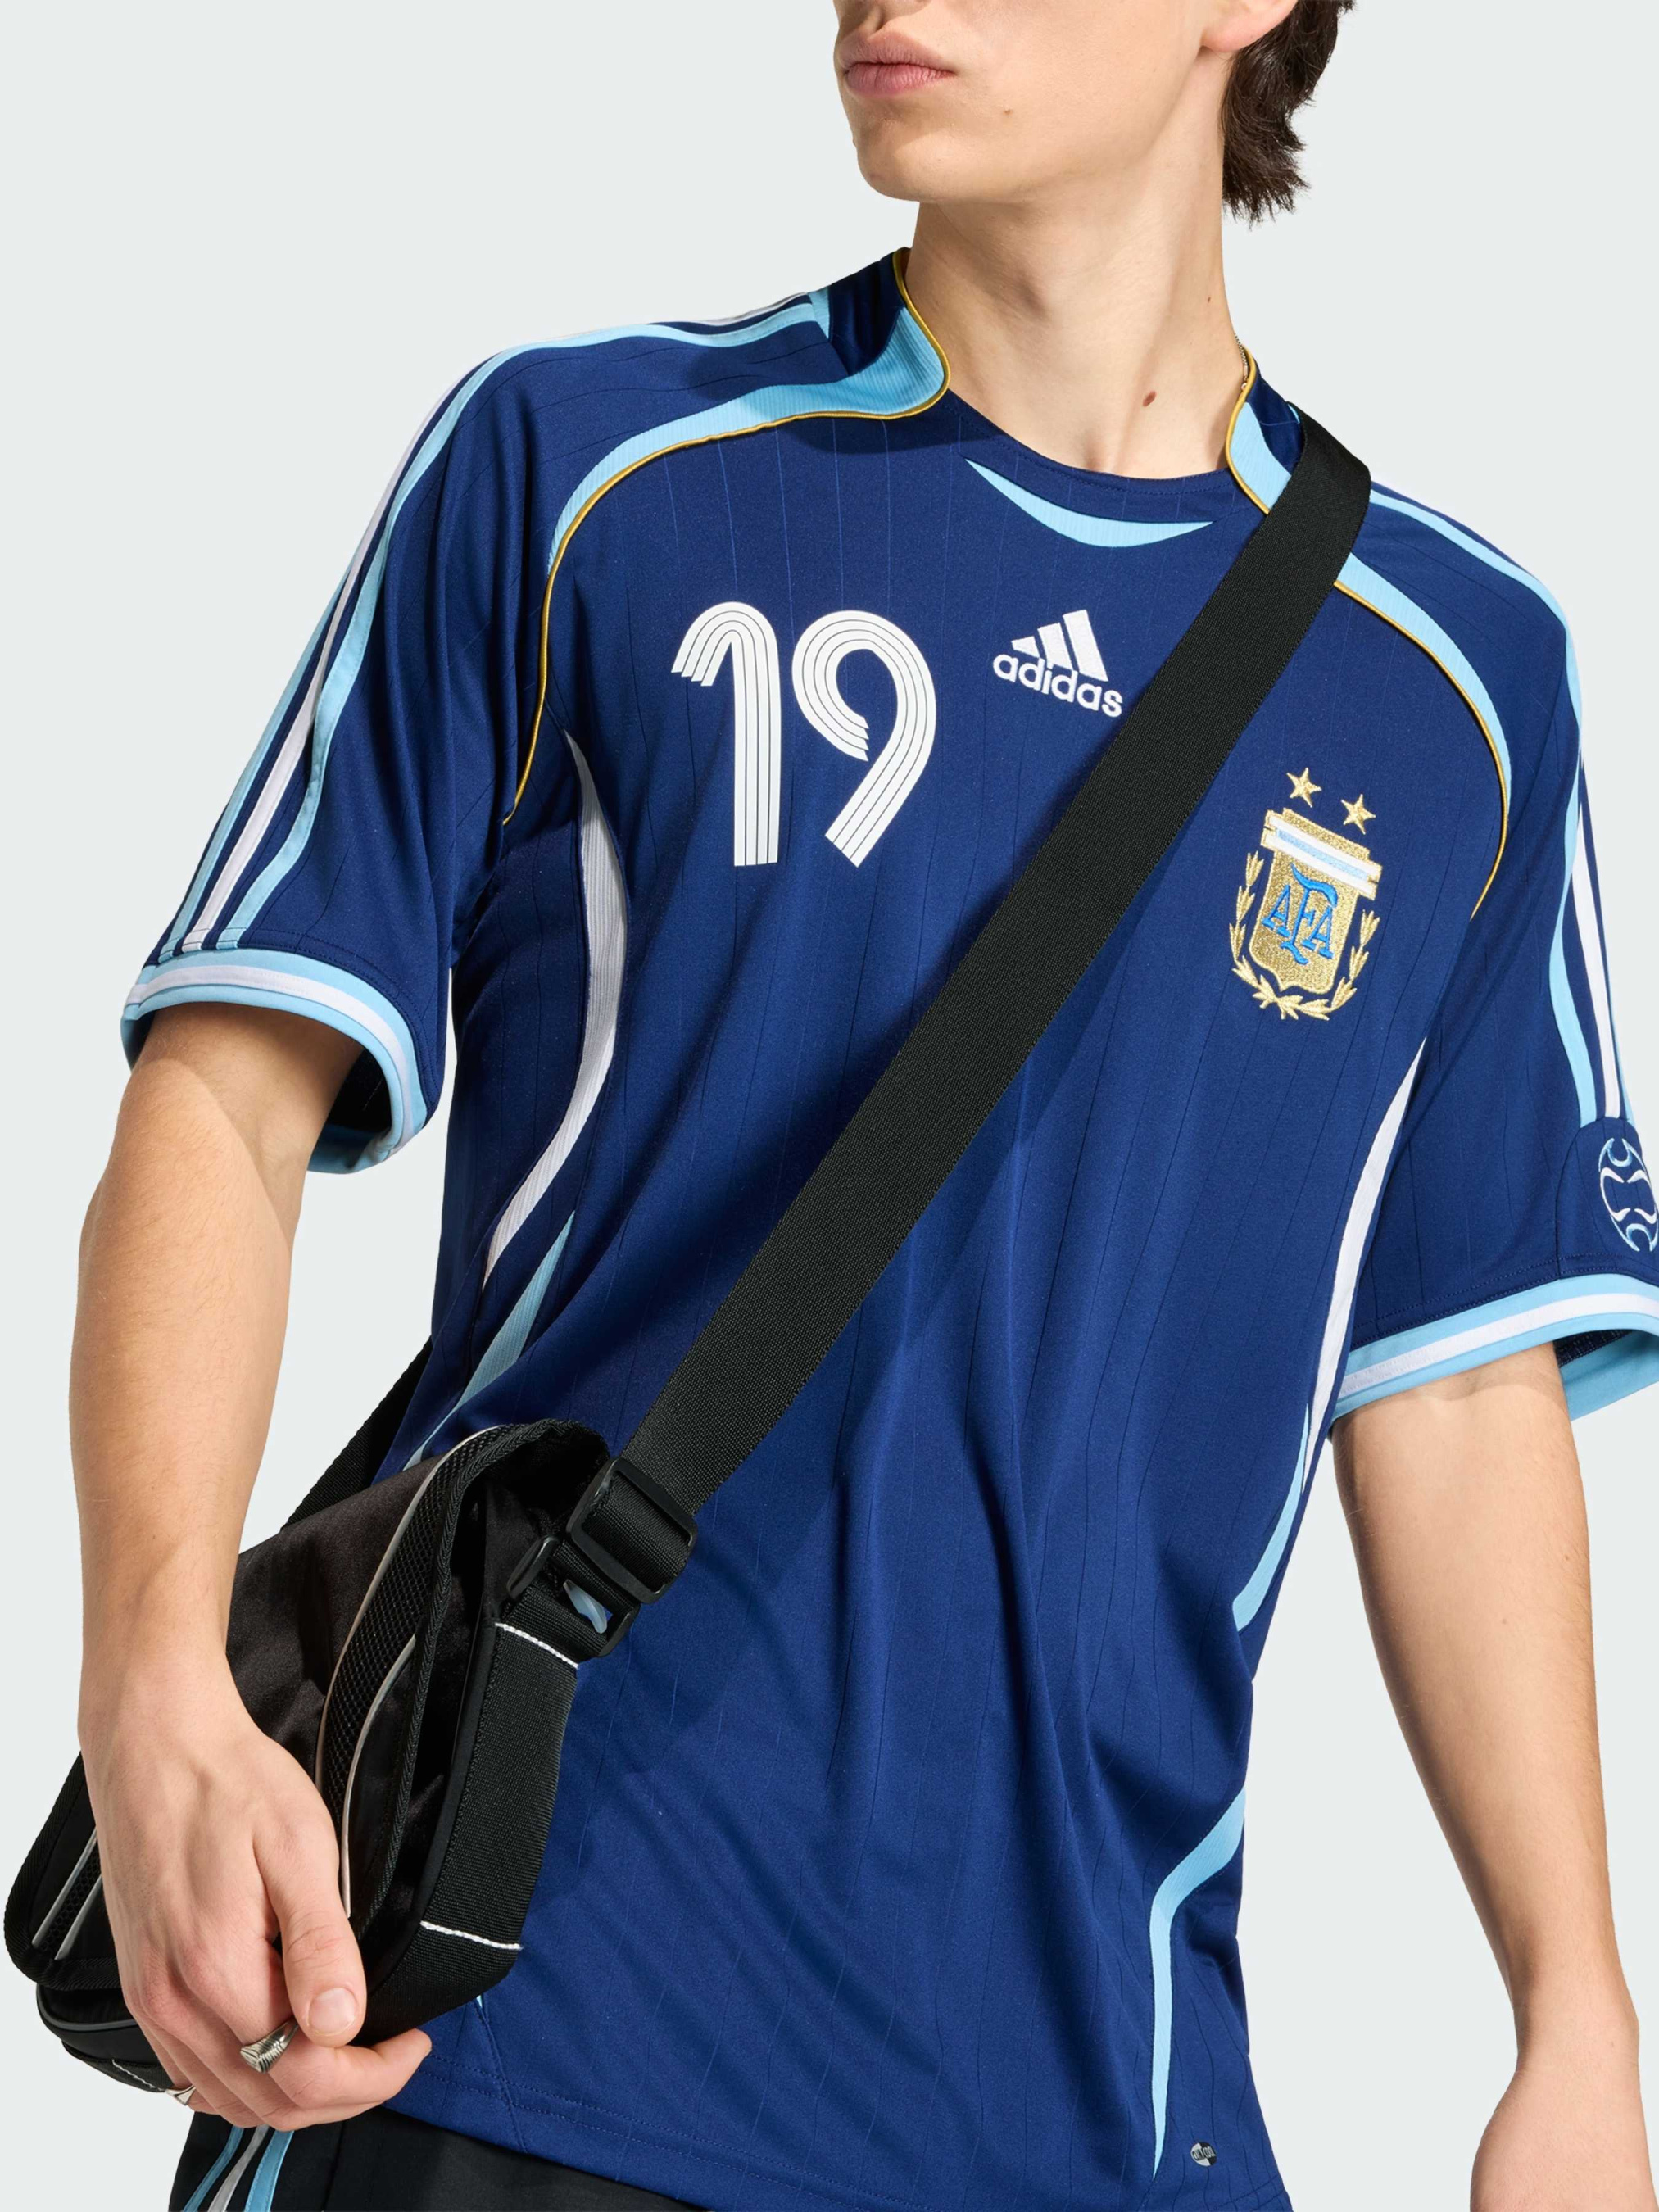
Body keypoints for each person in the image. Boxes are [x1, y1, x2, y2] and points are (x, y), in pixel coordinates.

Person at [66, 3, 1657, 2208]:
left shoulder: (1453, 679)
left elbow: (1454, 1383)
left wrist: (1574, 2016)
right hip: (507, 2026)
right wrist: (152, 1684)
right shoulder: (589, 468)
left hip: (1101, 2105)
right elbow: (225, 1104)